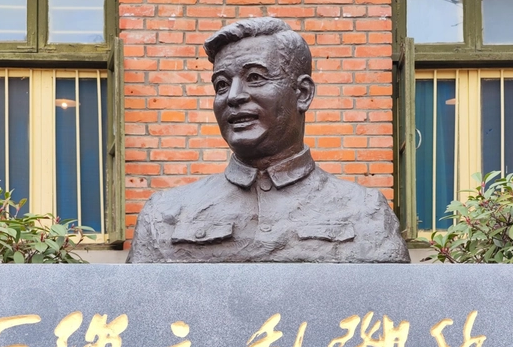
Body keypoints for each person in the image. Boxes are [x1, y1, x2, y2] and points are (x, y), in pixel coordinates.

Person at [126, 17, 410, 263]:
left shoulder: (364, 210)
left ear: (302, 94)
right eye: (221, 84)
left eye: (255, 77)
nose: (233, 96)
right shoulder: (166, 213)